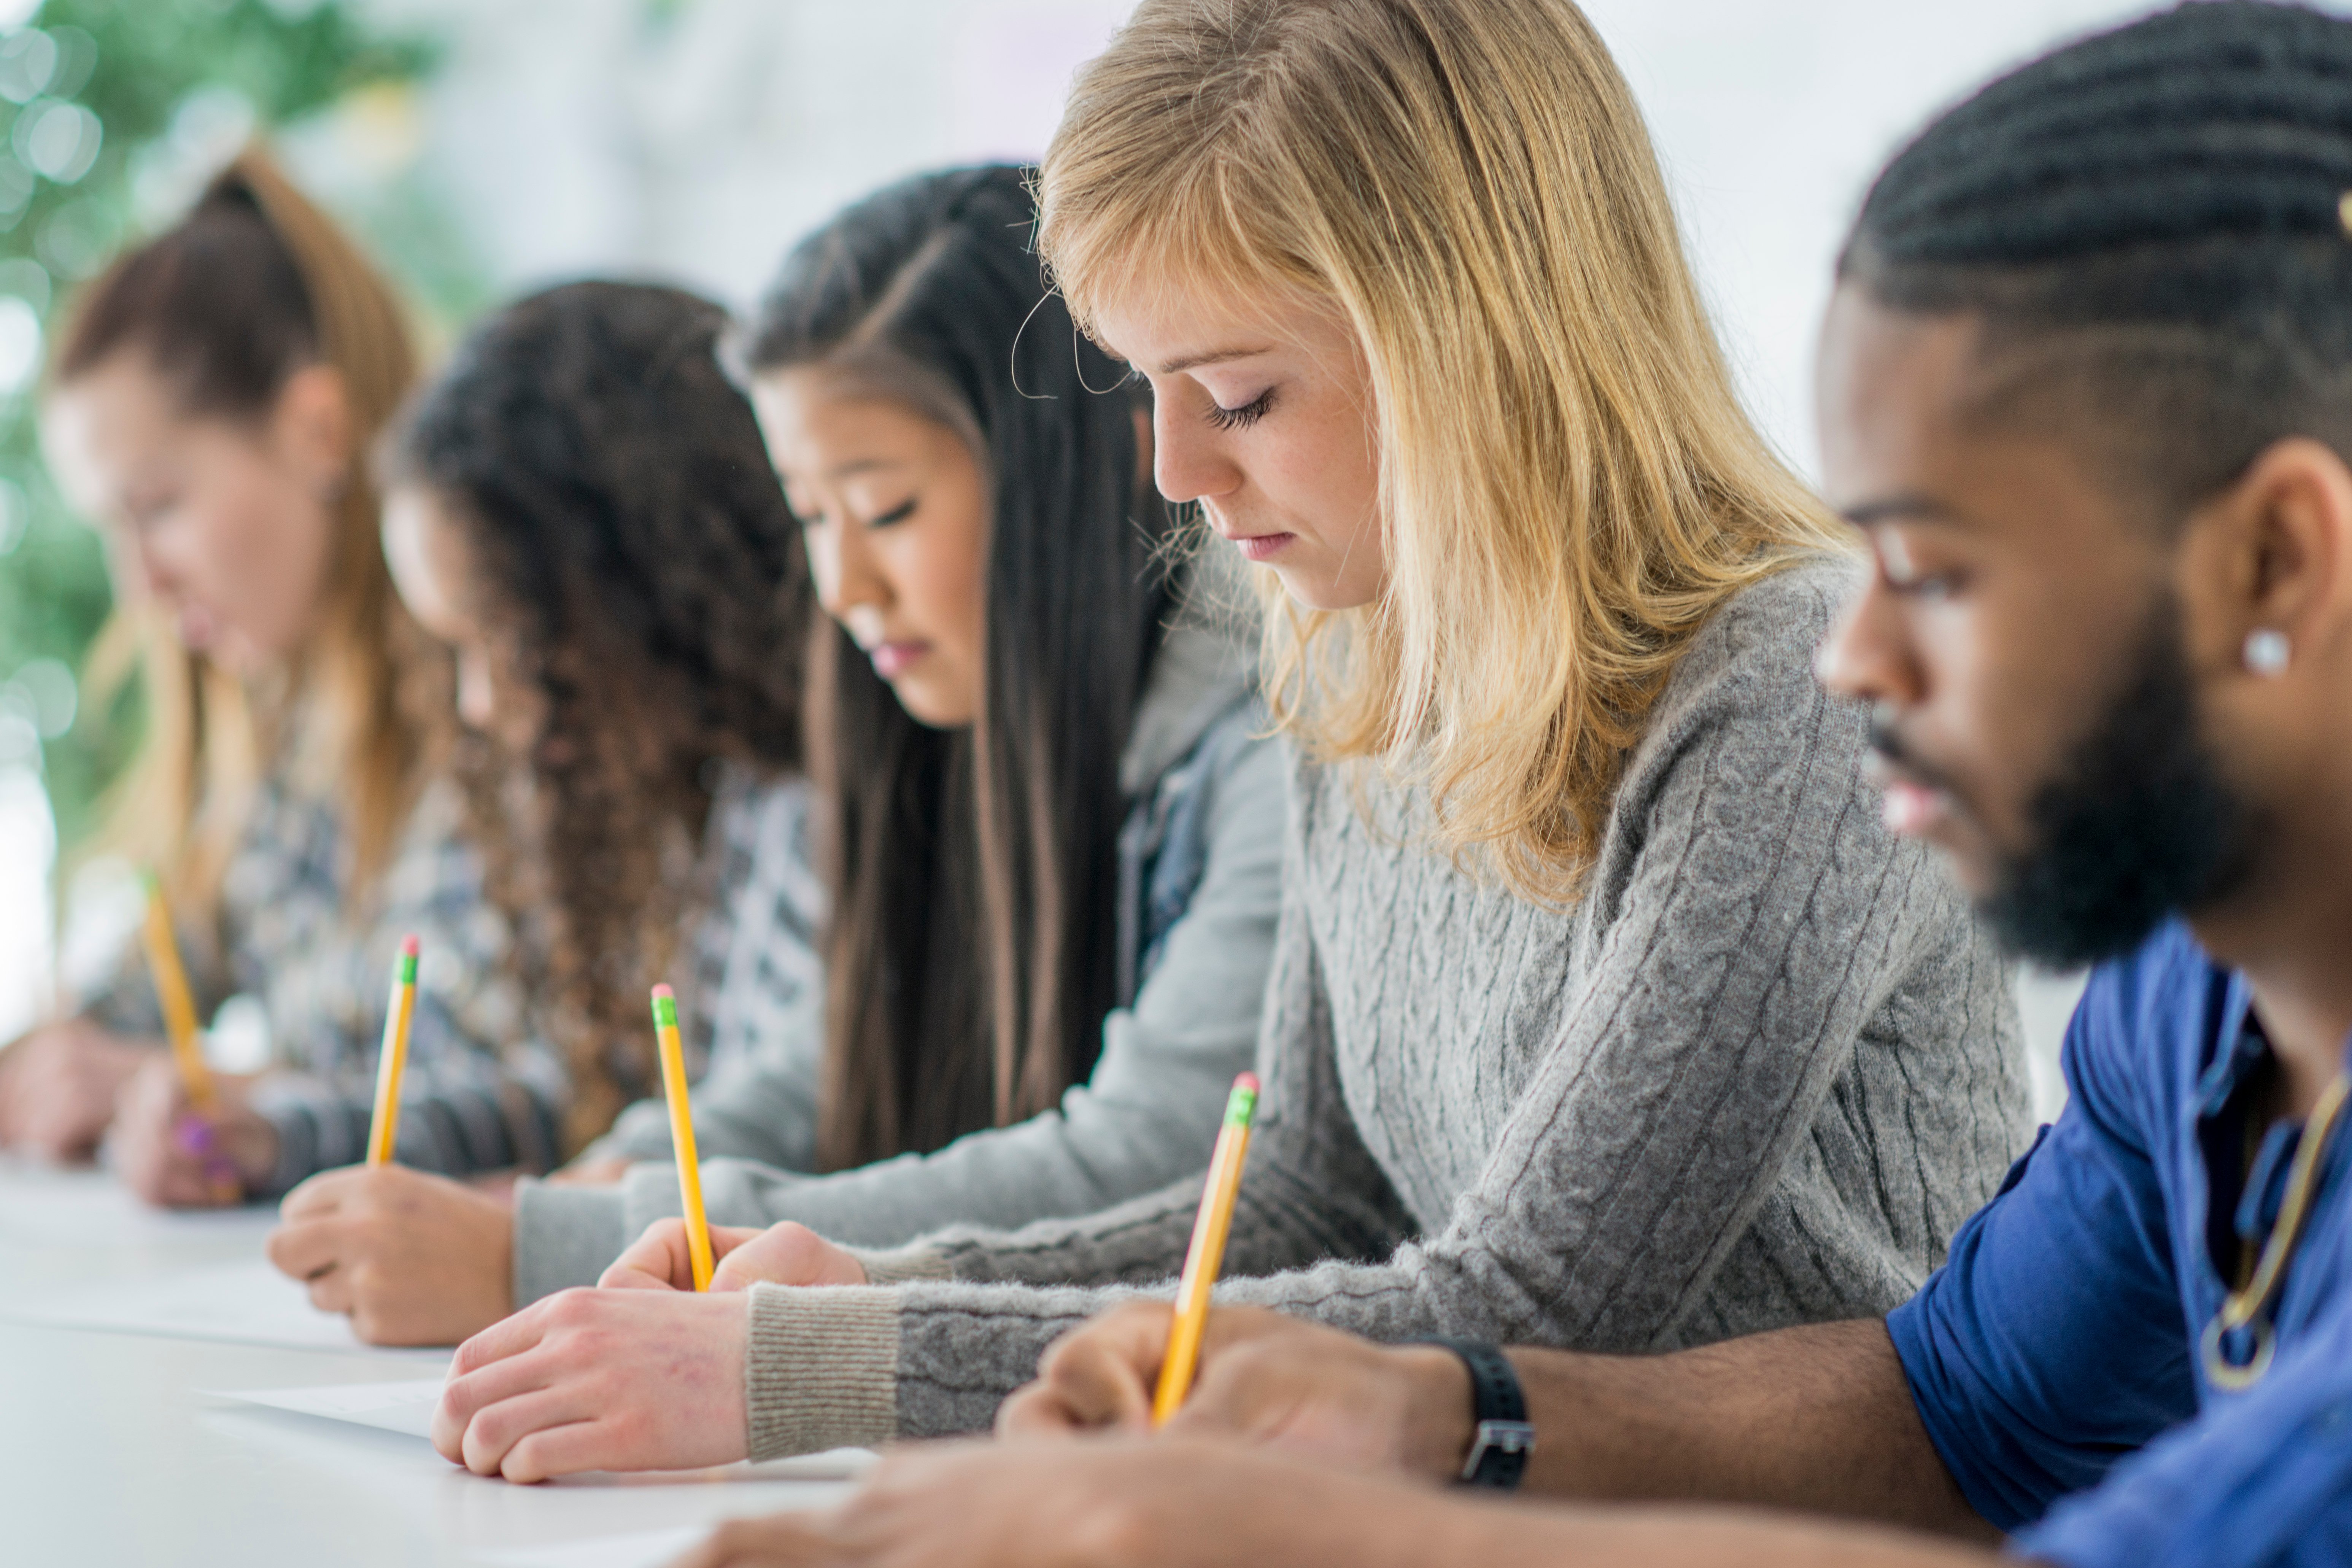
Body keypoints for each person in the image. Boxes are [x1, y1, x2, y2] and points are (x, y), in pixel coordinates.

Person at [674, 4, 2352, 1565]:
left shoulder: (1770, 689)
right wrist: (1426, 1411)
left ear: (2280, 558)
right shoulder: (2186, 1003)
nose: (1860, 653)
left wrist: (1315, 1511)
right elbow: (1963, 1405)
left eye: (1933, 565)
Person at [429, 0, 2025, 1484]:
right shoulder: (1349, 645)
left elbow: (1542, 1307)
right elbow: (1303, 1194)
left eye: (1241, 397)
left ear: (1474, 346)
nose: (1177, 468)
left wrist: (821, 1364)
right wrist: (880, 1281)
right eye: (1149, 391)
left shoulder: (1787, 688)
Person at [272, 166, 1289, 1346]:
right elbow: (833, 1041)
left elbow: (1149, 1160)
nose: (844, 588)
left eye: (889, 510)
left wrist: (546, 1250)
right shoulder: (936, 720)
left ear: (1090, 468)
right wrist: (634, 1171)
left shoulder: (1259, 742)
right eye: (813, 518)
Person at [259, 279, 817, 1343]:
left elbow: (797, 1118)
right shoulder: (687, 799)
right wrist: (279, 1139)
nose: (478, 704)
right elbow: (573, 1083)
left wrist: (540, 1230)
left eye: (505, 644)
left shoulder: (816, 801)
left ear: (639, 576)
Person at [0, 150, 535, 1205]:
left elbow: (547, 1098)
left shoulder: (500, 702)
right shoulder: (270, 732)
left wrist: (236, 1102)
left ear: (317, 430)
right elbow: (140, 993)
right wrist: (60, 1062)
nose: (141, 586)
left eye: (158, 505)